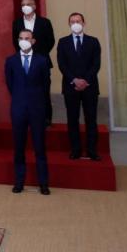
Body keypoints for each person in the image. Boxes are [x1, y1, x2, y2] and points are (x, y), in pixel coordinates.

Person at [5, 29, 51, 195]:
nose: (24, 40)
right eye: (21, 38)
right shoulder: (11, 61)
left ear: (33, 41)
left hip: (37, 107)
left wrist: (37, 100)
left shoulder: (42, 61)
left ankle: (43, 183)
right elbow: (9, 84)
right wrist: (20, 98)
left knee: (39, 146)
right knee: (18, 147)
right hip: (18, 108)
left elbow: (46, 84)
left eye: (27, 38)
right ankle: (19, 182)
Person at [56, 13, 102, 161]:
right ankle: (75, 150)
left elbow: (96, 64)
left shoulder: (93, 41)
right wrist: (74, 80)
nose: (75, 23)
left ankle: (92, 150)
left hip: (90, 87)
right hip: (70, 87)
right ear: (69, 24)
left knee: (91, 119)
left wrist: (85, 80)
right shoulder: (63, 42)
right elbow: (62, 64)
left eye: (78, 21)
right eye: (72, 21)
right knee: (72, 119)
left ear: (84, 23)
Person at [12, 0, 55, 126]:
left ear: (35, 6)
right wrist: (26, 53)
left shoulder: (45, 22)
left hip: (41, 61)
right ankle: (26, 118)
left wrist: (37, 56)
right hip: (24, 61)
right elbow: (15, 41)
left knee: (43, 91)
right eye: (23, 4)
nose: (25, 6)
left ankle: (46, 118)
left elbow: (50, 41)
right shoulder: (17, 23)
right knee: (25, 90)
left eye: (28, 4)